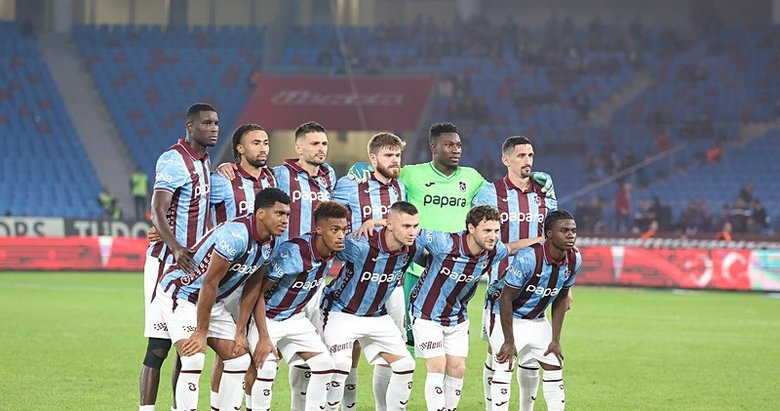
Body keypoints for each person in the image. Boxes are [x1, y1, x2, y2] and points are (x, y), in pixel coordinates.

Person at [349, 122, 555, 349]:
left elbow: (503, 192)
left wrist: (531, 178)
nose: (456, 150)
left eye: (458, 145)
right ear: (434, 148)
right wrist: (364, 167)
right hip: (418, 266)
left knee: (450, 334)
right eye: (448, 145)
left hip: (456, 270)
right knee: (407, 338)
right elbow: (385, 175)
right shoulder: (411, 174)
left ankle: (445, 372)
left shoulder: (472, 178)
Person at [146, 187, 290, 411]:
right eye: (279, 213)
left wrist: (240, 331)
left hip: (212, 300)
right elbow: (209, 283)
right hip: (182, 293)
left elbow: (253, 285)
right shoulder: (235, 235)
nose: (285, 220)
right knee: (193, 358)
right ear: (261, 214)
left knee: (239, 360)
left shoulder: (272, 242)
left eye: (287, 215)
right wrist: (201, 331)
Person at [409, 205, 542, 411]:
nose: (493, 236)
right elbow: (410, 231)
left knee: (458, 369)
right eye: (487, 230)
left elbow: (513, 247)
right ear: (471, 229)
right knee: (437, 365)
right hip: (426, 312)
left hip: (457, 316)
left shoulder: (493, 251)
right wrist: (380, 224)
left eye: (496, 230)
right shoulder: (445, 242)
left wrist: (543, 240)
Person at [139, 103, 218, 411]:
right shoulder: (174, 159)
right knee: (159, 346)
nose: (213, 128)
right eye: (206, 123)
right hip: (165, 263)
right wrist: (173, 246)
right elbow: (157, 209)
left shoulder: (205, 162)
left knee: (184, 346)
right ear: (190, 127)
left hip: (193, 267)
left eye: (216, 123)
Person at [472, 136, 559, 411]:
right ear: (506, 159)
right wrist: (525, 244)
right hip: (502, 284)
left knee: (532, 356)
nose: (527, 160)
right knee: (497, 352)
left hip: (536, 286)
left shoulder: (544, 192)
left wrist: (565, 288)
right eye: (521, 155)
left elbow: (555, 237)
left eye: (530, 155)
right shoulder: (490, 193)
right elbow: (481, 237)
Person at [239, 201, 347, 411]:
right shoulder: (293, 254)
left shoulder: (334, 248)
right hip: (267, 317)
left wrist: (373, 222)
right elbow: (257, 292)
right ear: (319, 229)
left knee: (325, 365)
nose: (341, 236)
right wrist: (263, 336)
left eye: (344, 230)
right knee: (266, 366)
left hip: (295, 318)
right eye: (335, 230)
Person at [332, 132, 407, 409]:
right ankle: (347, 406)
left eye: (397, 155)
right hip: (357, 276)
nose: (395, 160)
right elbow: (328, 217)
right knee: (349, 348)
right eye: (388, 155)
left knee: (393, 348)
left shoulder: (402, 187)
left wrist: (377, 222)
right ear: (373, 158)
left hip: (392, 281)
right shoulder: (351, 184)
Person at [320, 201, 421, 411]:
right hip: (340, 312)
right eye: (406, 226)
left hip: (377, 316)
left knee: (406, 365)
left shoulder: (413, 247)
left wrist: (375, 221)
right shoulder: (360, 245)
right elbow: (325, 242)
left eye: (415, 226)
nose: (412, 232)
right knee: (341, 364)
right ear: (389, 225)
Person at [209, 123, 277, 409]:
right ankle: (217, 405)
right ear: (240, 148)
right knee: (226, 352)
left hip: (256, 272)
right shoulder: (223, 179)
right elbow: (196, 209)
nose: (263, 148)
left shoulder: (273, 178)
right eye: (255, 143)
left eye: (266, 142)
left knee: (248, 349)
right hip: (224, 274)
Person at [491, 210, 582, 411]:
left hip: (538, 320)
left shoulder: (574, 259)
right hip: (508, 317)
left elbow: (561, 298)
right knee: (504, 366)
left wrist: (555, 340)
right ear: (549, 234)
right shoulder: (528, 257)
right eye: (564, 230)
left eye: (573, 231)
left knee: (555, 365)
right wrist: (509, 341)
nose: (570, 235)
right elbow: (506, 299)